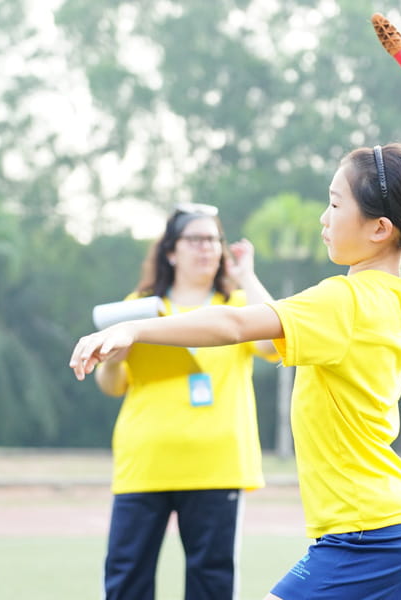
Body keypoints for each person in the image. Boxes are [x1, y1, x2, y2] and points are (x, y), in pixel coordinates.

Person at [71, 143, 401, 600]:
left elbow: (235, 323)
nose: (323, 218)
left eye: (335, 204)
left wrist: (137, 330)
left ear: (380, 228)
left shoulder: (341, 301)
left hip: (365, 534)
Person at [92, 202, 279, 600]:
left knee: (211, 584)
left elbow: (273, 344)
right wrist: (113, 362)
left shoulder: (237, 308)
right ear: (171, 251)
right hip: (145, 464)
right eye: (195, 239)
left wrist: (247, 277)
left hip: (217, 466)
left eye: (213, 239)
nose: (206, 248)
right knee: (126, 580)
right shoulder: (139, 309)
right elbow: (112, 385)